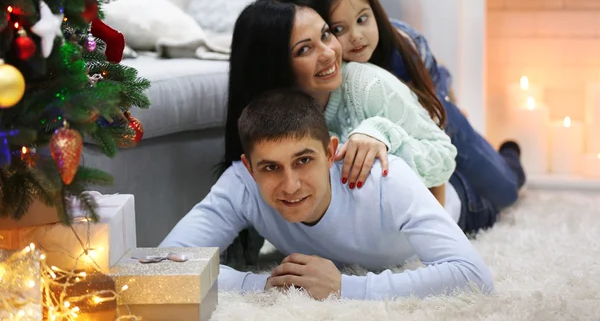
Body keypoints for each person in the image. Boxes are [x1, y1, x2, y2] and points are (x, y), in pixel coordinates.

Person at [161, 88, 493, 300]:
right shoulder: (241, 184)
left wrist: (345, 288)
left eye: (303, 161)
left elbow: (473, 275)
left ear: (332, 151)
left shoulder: (387, 180)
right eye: (270, 168)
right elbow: (167, 264)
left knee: (502, 181)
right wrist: (259, 285)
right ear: (249, 168)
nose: (290, 185)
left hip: (458, 201)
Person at [221, 0, 458, 267]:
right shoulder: (264, 120)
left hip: (443, 199)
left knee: (502, 184)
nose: (330, 53)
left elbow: (444, 159)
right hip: (374, 231)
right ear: (275, 67)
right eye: (304, 49)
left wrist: (382, 132)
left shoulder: (368, 85)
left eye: (325, 35)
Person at [299, 0, 526, 234]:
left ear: (375, 12)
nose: (357, 36)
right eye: (339, 29)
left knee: (507, 192)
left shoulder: (398, 50)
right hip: (411, 133)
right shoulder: (331, 74)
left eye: (363, 19)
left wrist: (450, 101)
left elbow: (435, 75)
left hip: (440, 116)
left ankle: (510, 155)